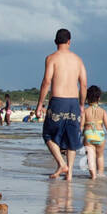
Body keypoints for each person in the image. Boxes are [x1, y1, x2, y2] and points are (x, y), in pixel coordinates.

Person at [36, 28, 88, 180]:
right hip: (73, 102)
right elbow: (83, 84)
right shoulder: (78, 60)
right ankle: (70, 173)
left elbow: (47, 81)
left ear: (55, 42)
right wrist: (82, 105)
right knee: (72, 138)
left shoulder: (51, 58)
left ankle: (61, 164)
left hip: (58, 101)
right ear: (69, 42)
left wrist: (40, 104)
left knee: (47, 134)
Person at [81, 85, 107, 180]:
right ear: (99, 98)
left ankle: (93, 175)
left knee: (90, 156)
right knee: (100, 156)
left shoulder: (85, 111)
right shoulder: (102, 111)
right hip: (100, 135)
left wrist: (78, 134)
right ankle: (101, 173)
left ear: (87, 98)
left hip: (88, 135)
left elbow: (81, 125)